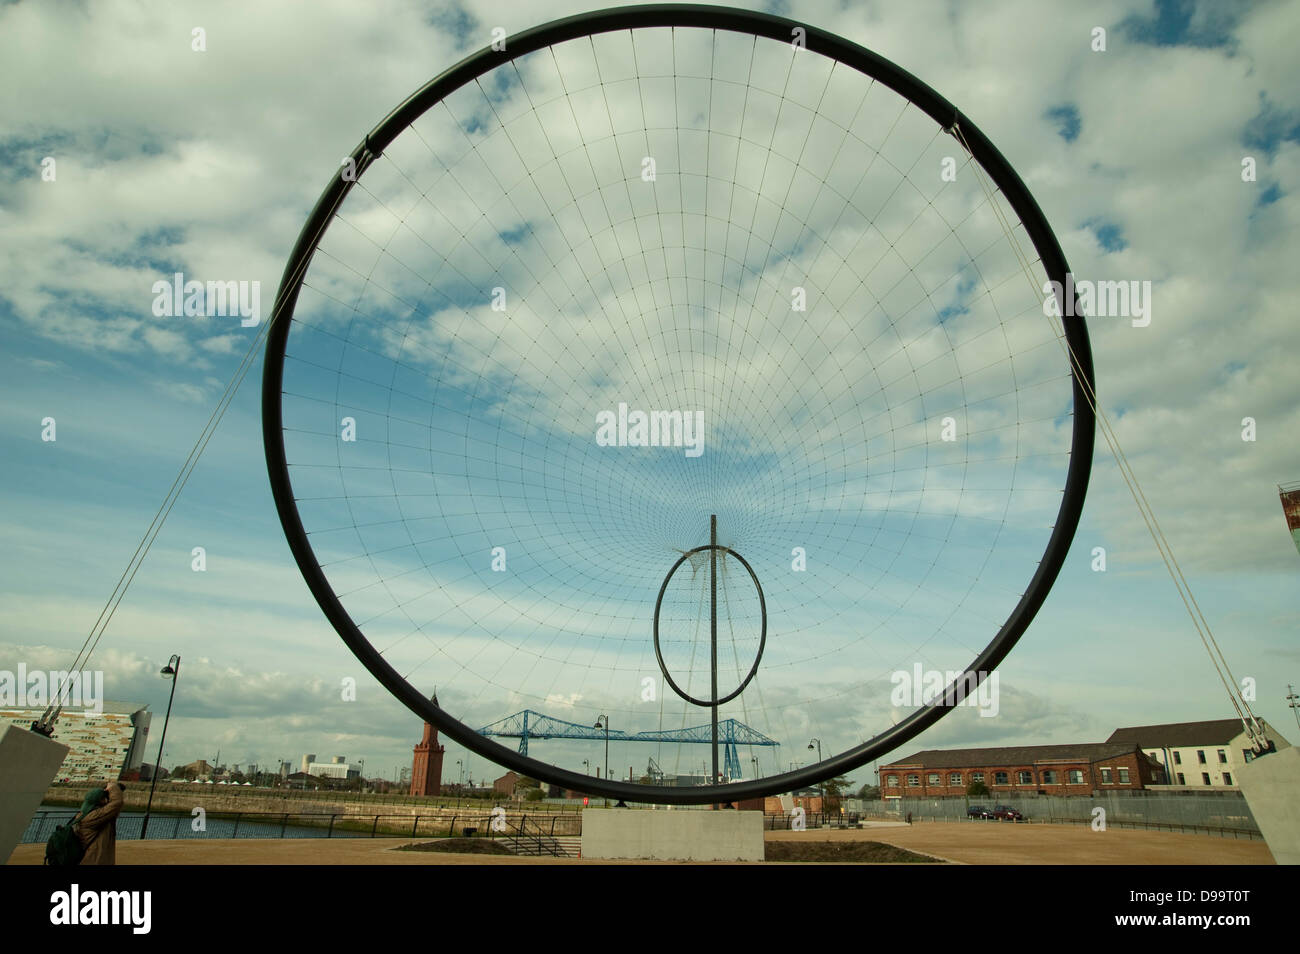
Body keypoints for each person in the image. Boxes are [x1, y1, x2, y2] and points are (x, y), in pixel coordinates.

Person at [76, 780, 125, 865]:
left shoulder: (86, 814)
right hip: (93, 860)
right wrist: (113, 787)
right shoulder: (92, 817)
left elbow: (113, 810)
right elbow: (116, 803)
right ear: (101, 800)